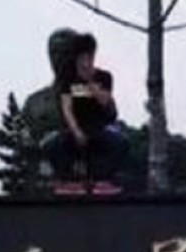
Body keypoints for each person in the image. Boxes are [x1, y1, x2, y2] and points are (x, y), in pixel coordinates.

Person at [47, 30, 128, 195]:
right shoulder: (67, 80)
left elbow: (106, 102)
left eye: (90, 57)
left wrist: (91, 81)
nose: (86, 62)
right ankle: (67, 179)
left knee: (119, 142)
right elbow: (67, 108)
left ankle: (104, 179)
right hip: (75, 127)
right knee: (53, 144)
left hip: (98, 126)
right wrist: (76, 131)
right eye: (83, 58)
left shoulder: (104, 77)